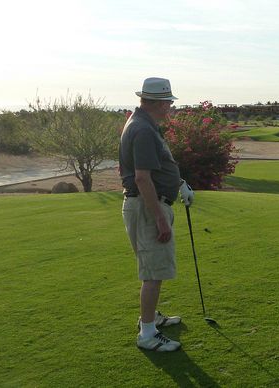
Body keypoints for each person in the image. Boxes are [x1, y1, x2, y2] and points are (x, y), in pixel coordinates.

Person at [120, 77, 195, 352]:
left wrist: (177, 182)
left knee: (154, 268)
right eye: (168, 103)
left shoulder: (144, 124)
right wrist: (160, 218)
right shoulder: (142, 129)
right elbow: (142, 178)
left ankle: (151, 319)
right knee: (153, 272)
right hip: (148, 206)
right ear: (157, 103)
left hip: (149, 203)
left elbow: (156, 168)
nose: (170, 108)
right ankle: (147, 334)